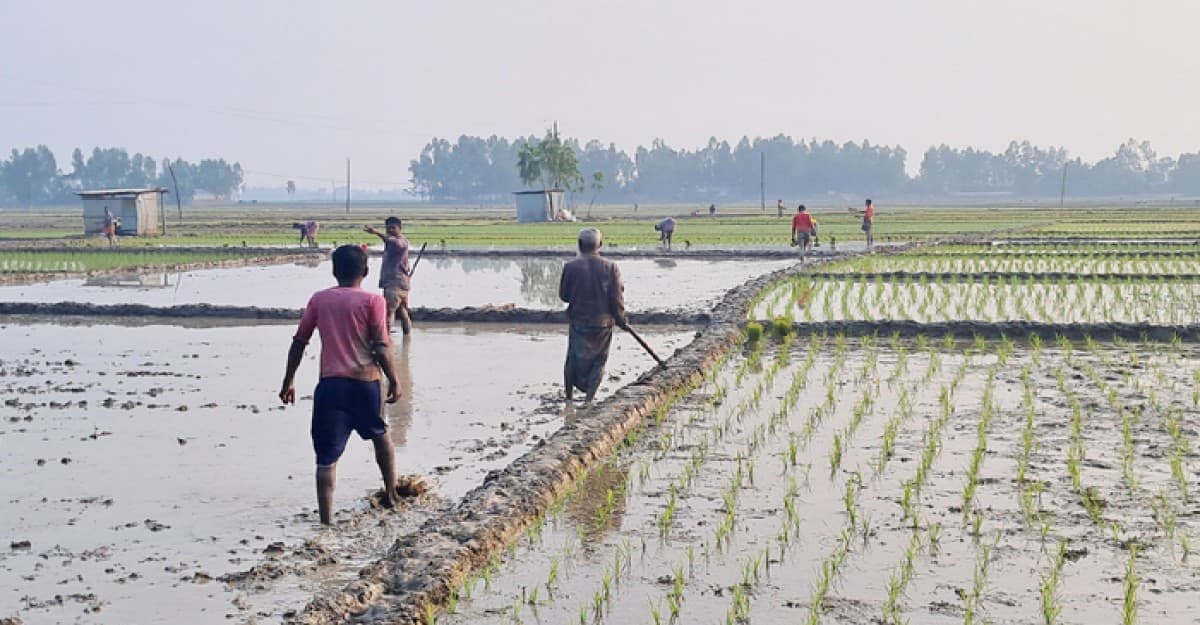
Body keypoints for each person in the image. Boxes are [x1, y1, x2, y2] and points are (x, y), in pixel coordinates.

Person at [278, 245, 401, 525]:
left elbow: (299, 342)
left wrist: (289, 380)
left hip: (330, 386)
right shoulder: (374, 301)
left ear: (334, 271)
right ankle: (392, 493)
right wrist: (394, 379)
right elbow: (381, 347)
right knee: (381, 436)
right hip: (364, 383)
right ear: (366, 272)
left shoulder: (320, 300)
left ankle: (325, 520)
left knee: (325, 457)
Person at [558, 228, 627, 403]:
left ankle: (568, 397)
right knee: (599, 360)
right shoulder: (611, 267)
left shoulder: (570, 267)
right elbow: (617, 298)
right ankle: (589, 400)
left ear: (580, 245)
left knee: (572, 357)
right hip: (602, 324)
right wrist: (621, 319)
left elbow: (564, 295)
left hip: (578, 321)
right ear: (600, 245)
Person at [364, 217, 412, 335]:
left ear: (400, 229)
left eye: (393, 228)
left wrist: (376, 233)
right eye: (388, 228)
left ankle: (385, 338)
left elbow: (394, 242)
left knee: (389, 312)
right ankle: (407, 338)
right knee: (402, 311)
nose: (390, 230)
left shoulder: (401, 241)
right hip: (401, 282)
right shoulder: (391, 243)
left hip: (394, 283)